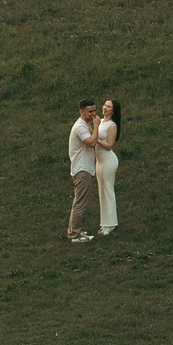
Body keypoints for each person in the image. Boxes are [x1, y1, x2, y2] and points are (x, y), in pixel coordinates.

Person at [67, 101, 100, 242]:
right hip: (82, 170)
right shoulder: (80, 127)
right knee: (80, 203)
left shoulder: (85, 125)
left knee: (80, 202)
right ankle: (75, 234)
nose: (93, 114)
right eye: (90, 111)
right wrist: (97, 125)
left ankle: (75, 230)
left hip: (84, 168)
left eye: (94, 111)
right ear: (82, 112)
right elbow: (92, 142)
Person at [95, 99, 123, 236]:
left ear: (113, 111)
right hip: (99, 161)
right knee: (102, 191)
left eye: (108, 107)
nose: (105, 108)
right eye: (105, 105)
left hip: (108, 160)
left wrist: (97, 141)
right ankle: (104, 223)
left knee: (107, 190)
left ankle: (110, 224)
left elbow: (109, 145)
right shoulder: (100, 122)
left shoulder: (111, 125)